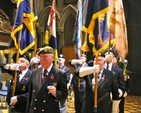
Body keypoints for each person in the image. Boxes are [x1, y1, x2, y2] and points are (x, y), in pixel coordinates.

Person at [26, 46, 68, 113]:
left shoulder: (59, 73)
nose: (42, 59)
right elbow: (30, 94)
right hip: (34, 109)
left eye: (45, 57)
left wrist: (56, 93)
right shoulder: (34, 72)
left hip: (49, 109)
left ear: (52, 58)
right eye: (41, 57)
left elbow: (64, 94)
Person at [104, 47, 125, 113]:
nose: (107, 55)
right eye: (106, 53)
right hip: (102, 98)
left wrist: (117, 93)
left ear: (113, 57)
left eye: (109, 54)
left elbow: (122, 86)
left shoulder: (118, 71)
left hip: (114, 97)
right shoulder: (100, 68)